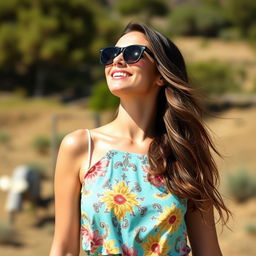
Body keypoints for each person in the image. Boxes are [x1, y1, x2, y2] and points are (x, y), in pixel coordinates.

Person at [49, 22, 230, 256]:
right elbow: (63, 249)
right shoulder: (81, 146)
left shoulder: (185, 153)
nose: (117, 60)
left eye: (133, 53)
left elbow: (208, 252)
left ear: (161, 75)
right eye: (110, 54)